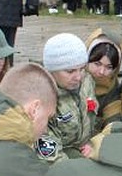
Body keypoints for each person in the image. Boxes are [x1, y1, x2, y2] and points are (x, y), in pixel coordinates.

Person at [37, 32, 98, 161]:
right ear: (51, 70)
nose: (78, 77)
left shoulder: (87, 82)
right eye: (70, 71)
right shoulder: (42, 101)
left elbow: (94, 119)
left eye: (82, 69)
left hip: (86, 149)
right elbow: (52, 158)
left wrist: (96, 143)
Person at [86, 29, 122, 128]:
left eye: (109, 67)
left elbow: (113, 119)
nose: (102, 72)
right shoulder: (72, 79)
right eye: (97, 64)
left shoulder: (112, 86)